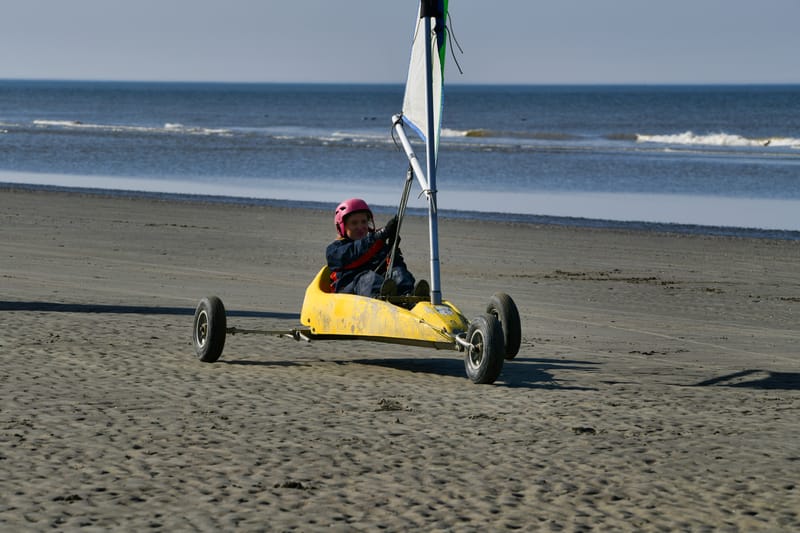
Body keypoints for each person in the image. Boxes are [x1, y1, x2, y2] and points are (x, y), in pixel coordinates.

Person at [326, 198, 429, 298]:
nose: (360, 227)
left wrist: (393, 250)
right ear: (342, 226)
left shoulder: (375, 244)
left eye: (364, 222)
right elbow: (354, 251)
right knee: (366, 277)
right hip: (347, 293)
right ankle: (381, 298)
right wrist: (378, 236)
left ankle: (408, 295)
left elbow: (390, 265)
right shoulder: (334, 249)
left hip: (377, 288)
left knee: (397, 271)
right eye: (354, 223)